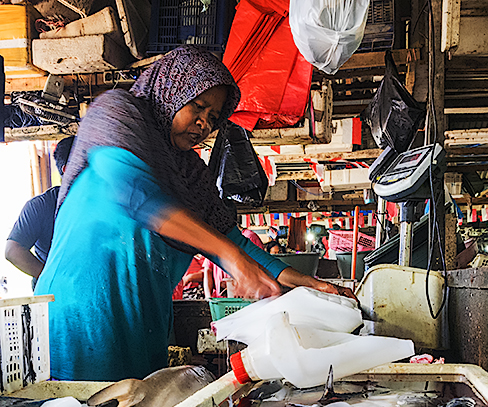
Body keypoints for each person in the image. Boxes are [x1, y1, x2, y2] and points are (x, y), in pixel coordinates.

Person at [35, 46, 354, 382]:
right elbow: (136, 195)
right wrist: (231, 258)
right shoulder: (116, 114)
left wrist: (303, 281)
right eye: (198, 107)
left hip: (143, 324)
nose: (204, 123)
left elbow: (230, 238)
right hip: (81, 317)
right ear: (173, 90)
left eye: (213, 117)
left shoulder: (190, 174)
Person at [5, 136, 74, 287]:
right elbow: (12, 250)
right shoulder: (41, 206)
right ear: (68, 170)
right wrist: (52, 278)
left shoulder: (99, 203)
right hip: (55, 294)